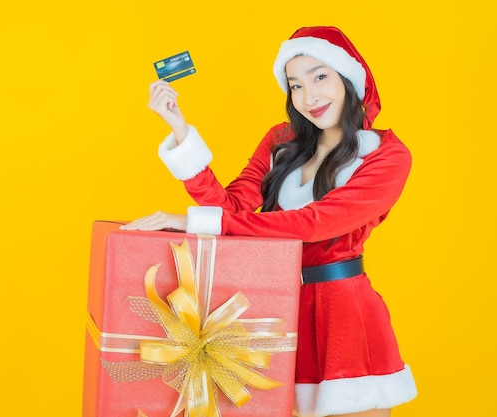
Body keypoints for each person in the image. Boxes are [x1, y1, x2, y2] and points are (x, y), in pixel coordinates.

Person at [121, 26, 417, 417]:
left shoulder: (385, 155)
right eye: (295, 86)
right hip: (274, 308)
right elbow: (233, 209)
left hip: (344, 320)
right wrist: (180, 130)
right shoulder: (282, 141)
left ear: (348, 78)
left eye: (320, 77)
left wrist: (199, 222)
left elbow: (316, 223)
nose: (309, 97)